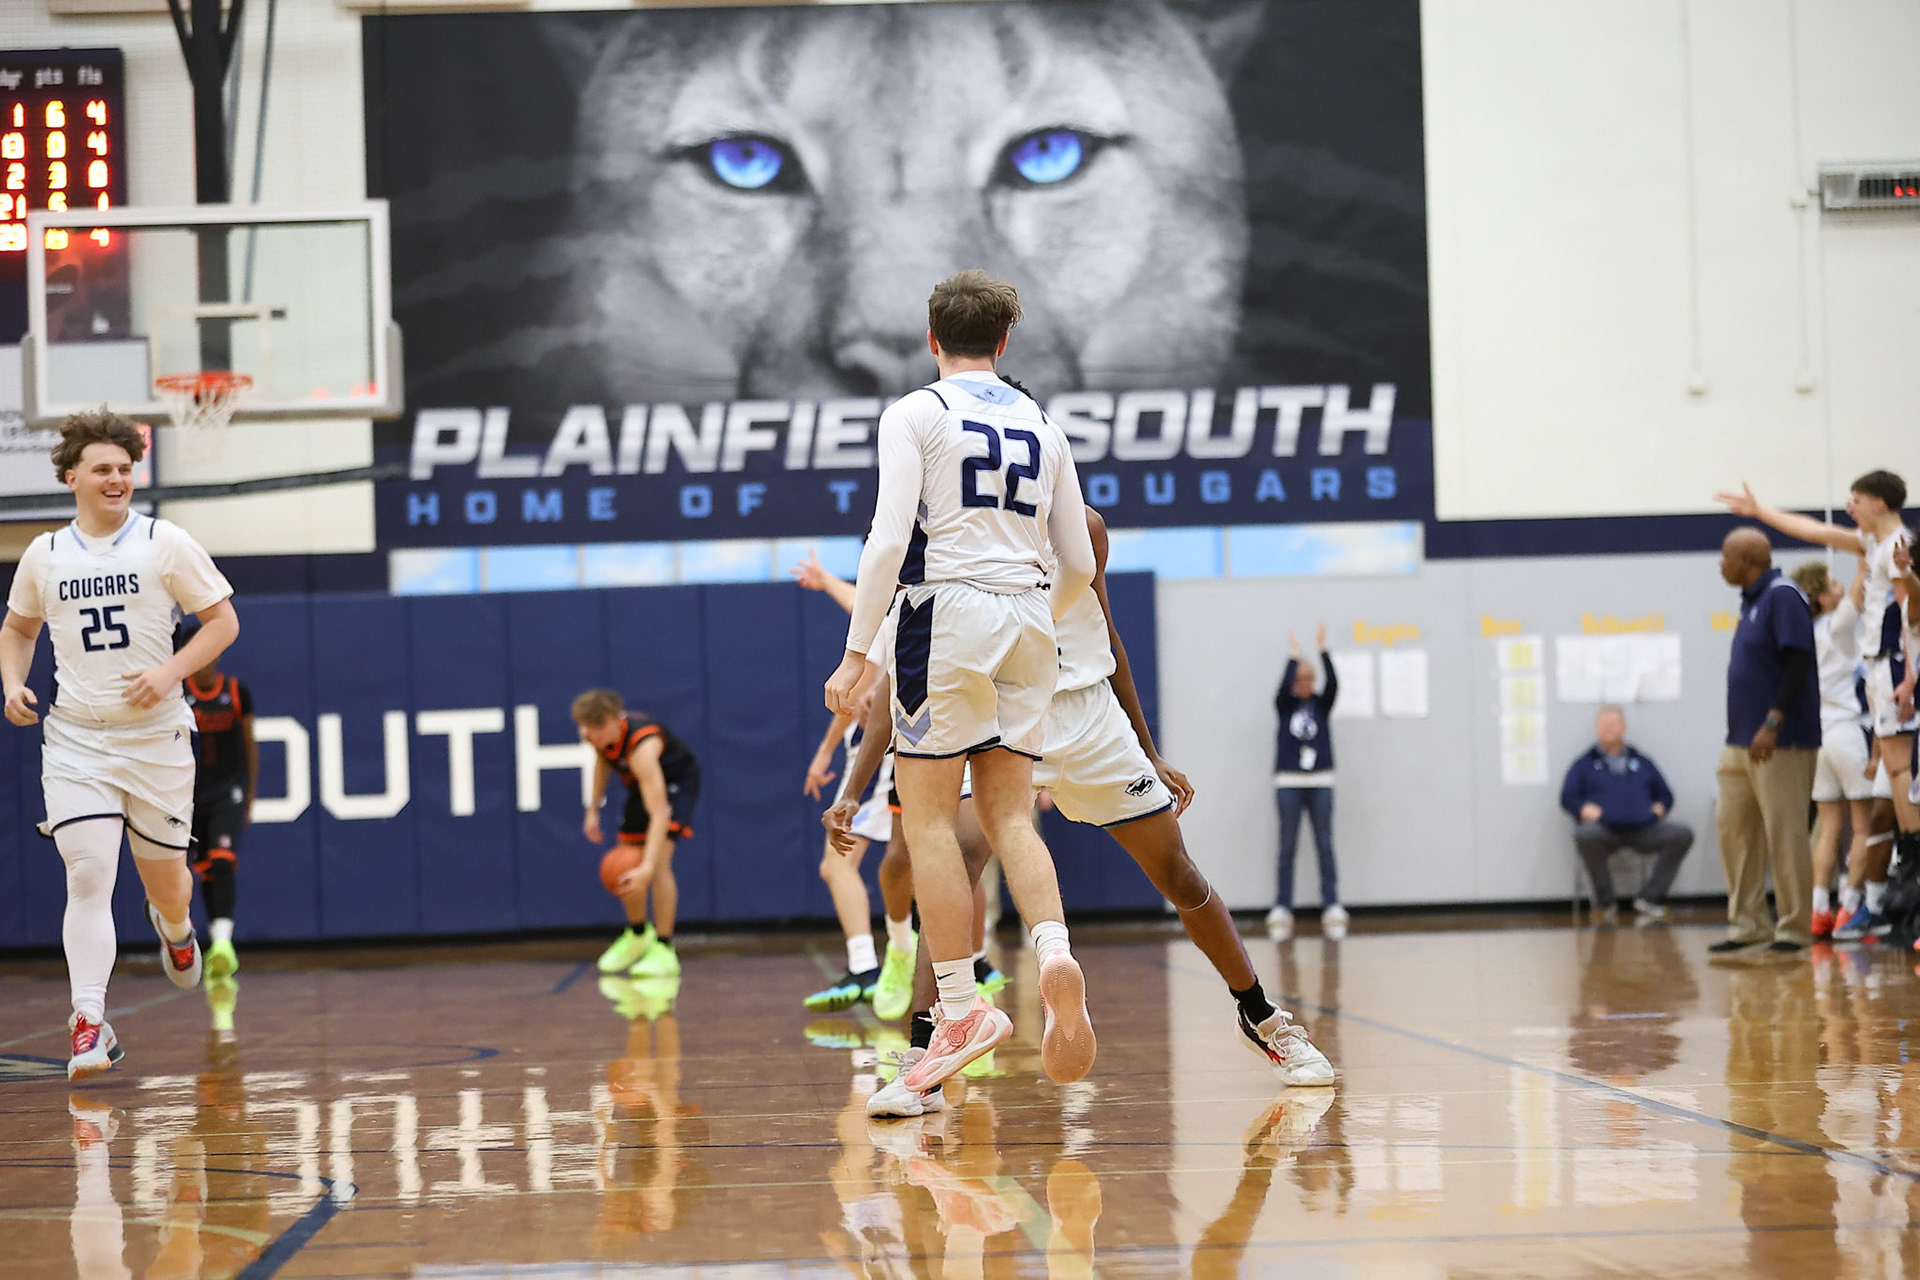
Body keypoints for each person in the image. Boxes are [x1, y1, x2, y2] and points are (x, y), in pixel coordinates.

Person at [837, 506, 1335, 1119]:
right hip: (1007, 716)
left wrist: (1149, 751)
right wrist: (855, 784)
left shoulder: (1082, 525)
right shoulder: (943, 534)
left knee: (1178, 873)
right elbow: (900, 667)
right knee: (953, 865)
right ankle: (923, 1056)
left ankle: (1260, 1017)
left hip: (1091, 715)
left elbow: (1108, 634)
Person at [822, 270, 1098, 1096]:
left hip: (944, 612)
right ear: (1004, 342)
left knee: (932, 822)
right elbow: (1079, 559)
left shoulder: (915, 413)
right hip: (1030, 614)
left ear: (930, 338)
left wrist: (856, 652)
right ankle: (1054, 950)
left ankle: (959, 1008)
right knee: (1011, 814)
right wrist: (1035, 612)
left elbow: (885, 542)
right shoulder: (1044, 425)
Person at [0, 409, 240, 1079]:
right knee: (87, 875)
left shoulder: (165, 542)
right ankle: (87, 1021)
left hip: (156, 739)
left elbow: (222, 622)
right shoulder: (45, 554)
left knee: (168, 887)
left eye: (125, 469)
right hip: (76, 738)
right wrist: (12, 683)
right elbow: (17, 629)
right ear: (71, 477)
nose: (116, 479)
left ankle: (175, 928)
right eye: (102, 469)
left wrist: (169, 672)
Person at [1718, 474, 1918, 888]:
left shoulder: (1897, 546)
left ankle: (1910, 861)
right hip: (1874, 681)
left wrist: (1912, 676)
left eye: (1856, 499)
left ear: (1879, 503)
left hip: (1893, 667)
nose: (1849, 507)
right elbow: (1815, 530)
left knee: (1899, 774)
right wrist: (1759, 511)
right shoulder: (1873, 544)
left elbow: (1912, 617)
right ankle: (1886, 879)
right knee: (1886, 788)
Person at [1709, 527, 1819, 960]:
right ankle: (1748, 925)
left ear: (1749, 559)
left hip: (1780, 741)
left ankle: (1794, 929)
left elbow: (1798, 662)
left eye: (1726, 556)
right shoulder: (1752, 601)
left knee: (1786, 834)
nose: (1721, 564)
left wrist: (1773, 722)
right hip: (1738, 741)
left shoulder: (1783, 595)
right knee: (1735, 831)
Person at [576, 689, 701, 979]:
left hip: (676, 784)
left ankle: (664, 947)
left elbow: (659, 814)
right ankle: (638, 933)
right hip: (641, 784)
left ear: (611, 721)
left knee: (657, 863)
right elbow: (603, 763)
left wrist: (647, 868)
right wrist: (593, 808)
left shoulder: (642, 747)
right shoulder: (600, 738)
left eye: (592, 726)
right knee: (626, 856)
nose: (585, 733)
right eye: (583, 725)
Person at [1790, 559, 1875, 939]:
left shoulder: (1803, 633)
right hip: (1845, 729)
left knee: (1827, 828)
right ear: (1822, 597)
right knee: (1865, 826)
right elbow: (1856, 597)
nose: (1841, 587)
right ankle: (1850, 907)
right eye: (1833, 584)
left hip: (1818, 734)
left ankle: (1818, 908)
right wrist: (1863, 560)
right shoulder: (1836, 625)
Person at [800, 699, 898, 1012]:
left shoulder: (867, 666)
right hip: (873, 745)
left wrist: (824, 751)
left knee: (838, 863)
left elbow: (857, 696)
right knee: (841, 865)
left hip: (878, 748)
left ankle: (868, 966)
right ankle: (881, 962)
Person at [1557, 705, 1694, 921]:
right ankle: (1605, 903)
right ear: (1597, 728)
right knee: (1585, 834)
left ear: (1623, 727)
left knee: (1682, 834)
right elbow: (1568, 797)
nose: (1608, 729)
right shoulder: (1584, 764)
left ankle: (1650, 898)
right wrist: (1583, 809)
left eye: (1613, 724)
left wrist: (1660, 807)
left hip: (1644, 827)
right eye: (1604, 725)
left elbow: (1666, 794)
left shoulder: (1642, 761)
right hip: (1604, 830)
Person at [177, 618, 256, 978]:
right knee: (201, 870)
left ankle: (224, 945)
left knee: (223, 862)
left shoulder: (236, 692)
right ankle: (198, 939)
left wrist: (249, 797)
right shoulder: (177, 695)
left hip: (228, 793)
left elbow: (250, 747)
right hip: (190, 797)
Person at [1269, 626, 1346, 941]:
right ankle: (1282, 906)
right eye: (1299, 679)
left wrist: (1323, 651)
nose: (1303, 684)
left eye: (1308, 678)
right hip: (1288, 782)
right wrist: (1293, 657)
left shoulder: (1321, 705)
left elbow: (1334, 684)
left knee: (1325, 844)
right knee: (1287, 846)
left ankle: (1332, 904)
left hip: (1321, 781)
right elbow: (1280, 690)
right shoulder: (1285, 706)